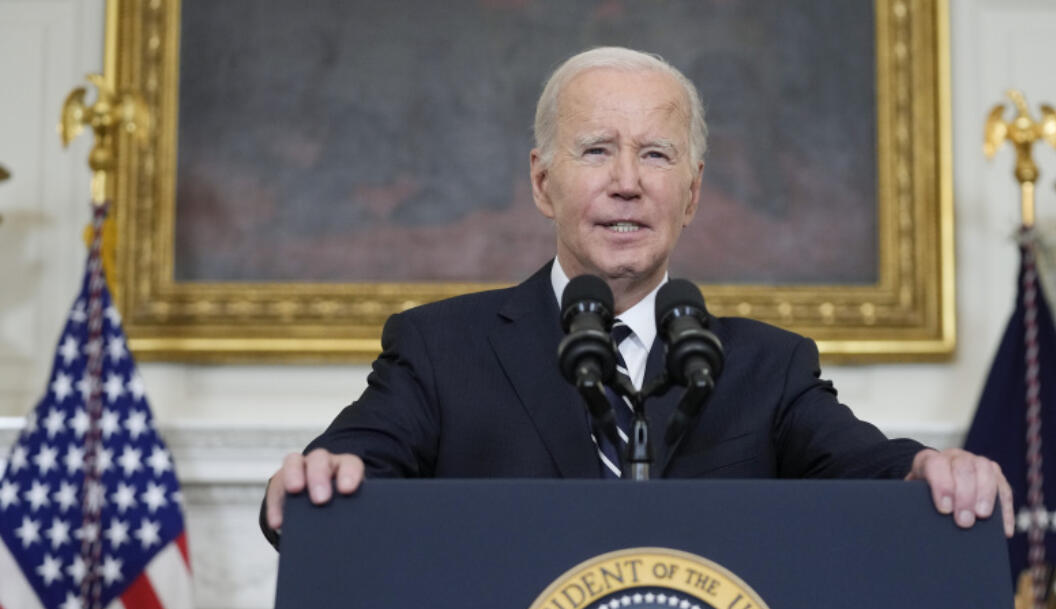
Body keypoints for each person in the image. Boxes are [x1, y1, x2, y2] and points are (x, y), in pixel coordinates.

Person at [259, 46, 1013, 545]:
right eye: (596, 150)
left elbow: (874, 470)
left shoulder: (766, 368)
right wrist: (314, 481)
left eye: (656, 153)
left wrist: (929, 470)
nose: (628, 179)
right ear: (542, 181)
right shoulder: (439, 349)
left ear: (690, 193)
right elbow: (354, 463)